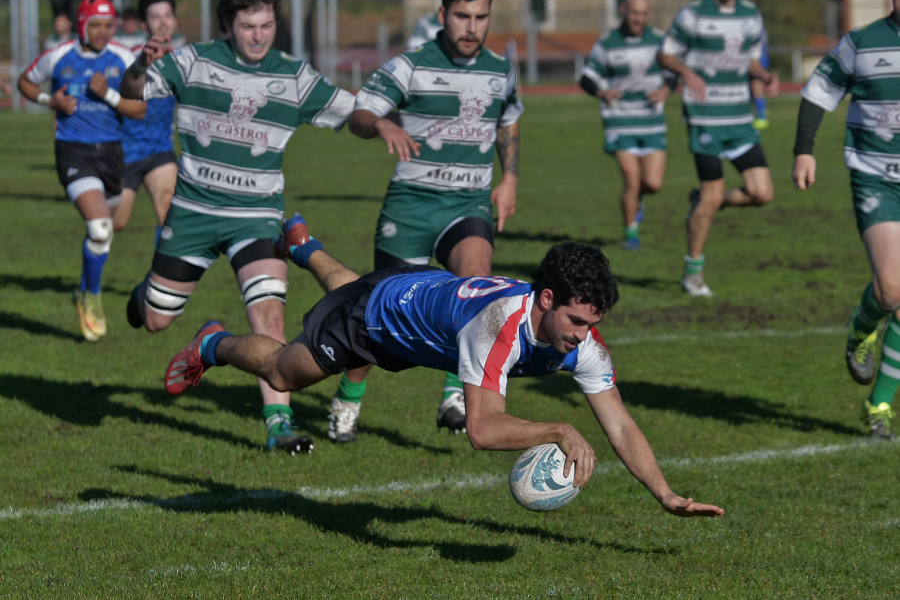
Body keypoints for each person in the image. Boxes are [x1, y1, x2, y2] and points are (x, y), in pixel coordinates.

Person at [165, 214, 725, 519]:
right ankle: (212, 343)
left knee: (352, 287)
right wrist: (557, 428)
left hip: (418, 299)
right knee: (286, 373)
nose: (584, 337)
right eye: (577, 322)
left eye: (592, 324)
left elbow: (621, 422)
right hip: (377, 320)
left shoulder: (580, 341)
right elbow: (481, 430)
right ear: (547, 299)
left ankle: (305, 244)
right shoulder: (499, 327)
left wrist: (665, 494)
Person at [119, 0, 356, 453]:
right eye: (249, 25)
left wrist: (387, 122)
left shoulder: (292, 75)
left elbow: (353, 111)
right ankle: (147, 295)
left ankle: (278, 424)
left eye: (267, 25)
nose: (259, 35)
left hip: (257, 217)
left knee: (269, 315)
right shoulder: (193, 61)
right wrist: (137, 65)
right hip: (193, 214)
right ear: (228, 24)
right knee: (154, 320)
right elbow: (131, 92)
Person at [335, 0, 523, 444]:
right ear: (442, 16)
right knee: (378, 319)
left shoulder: (500, 70)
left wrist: (510, 178)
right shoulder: (410, 65)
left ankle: (455, 397)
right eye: (462, 16)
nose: (471, 27)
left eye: (481, 17)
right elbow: (359, 114)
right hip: (411, 205)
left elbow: (508, 122)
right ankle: (348, 394)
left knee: (478, 286)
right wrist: (382, 124)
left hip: (468, 204)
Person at [792, 0, 900, 440]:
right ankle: (861, 326)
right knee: (892, 288)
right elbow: (819, 92)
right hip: (876, 179)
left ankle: (879, 405)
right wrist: (803, 151)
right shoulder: (862, 42)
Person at [18, 0, 146, 342]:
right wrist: (51, 101)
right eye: (96, 25)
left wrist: (109, 95)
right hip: (74, 153)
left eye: (108, 25)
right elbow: (25, 82)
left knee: (112, 227)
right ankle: (91, 295)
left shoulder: (123, 57)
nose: (103, 32)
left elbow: (139, 109)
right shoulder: (59, 55)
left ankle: (83, 287)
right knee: (100, 227)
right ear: (82, 26)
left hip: (112, 154)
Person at [657, 0, 779, 297]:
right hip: (705, 118)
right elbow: (665, 54)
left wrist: (765, 76)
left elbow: (750, 60)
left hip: (739, 118)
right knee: (710, 194)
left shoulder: (751, 14)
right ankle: (693, 274)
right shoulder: (694, 14)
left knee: (762, 192)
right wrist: (686, 71)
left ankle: (708, 202)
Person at [580, 0, 673, 251]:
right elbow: (586, 78)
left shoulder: (658, 41)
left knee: (653, 183)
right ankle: (631, 232)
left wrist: (666, 90)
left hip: (652, 121)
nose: (638, 19)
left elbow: (674, 73)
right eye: (634, 13)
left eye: (643, 14)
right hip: (620, 122)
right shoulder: (608, 43)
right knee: (631, 181)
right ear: (623, 10)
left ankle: (637, 200)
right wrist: (602, 92)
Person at [111, 0, 185, 238]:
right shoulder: (127, 57)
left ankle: (159, 278)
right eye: (155, 17)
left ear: (175, 20)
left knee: (169, 215)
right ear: (144, 25)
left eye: (167, 15)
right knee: (109, 225)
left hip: (159, 148)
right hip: (123, 150)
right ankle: (89, 278)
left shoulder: (183, 59)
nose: (163, 22)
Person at [750, 27, 770, 130]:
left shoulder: (751, 20)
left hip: (757, 57)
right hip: (758, 55)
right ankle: (761, 111)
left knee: (756, 83)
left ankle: (762, 116)